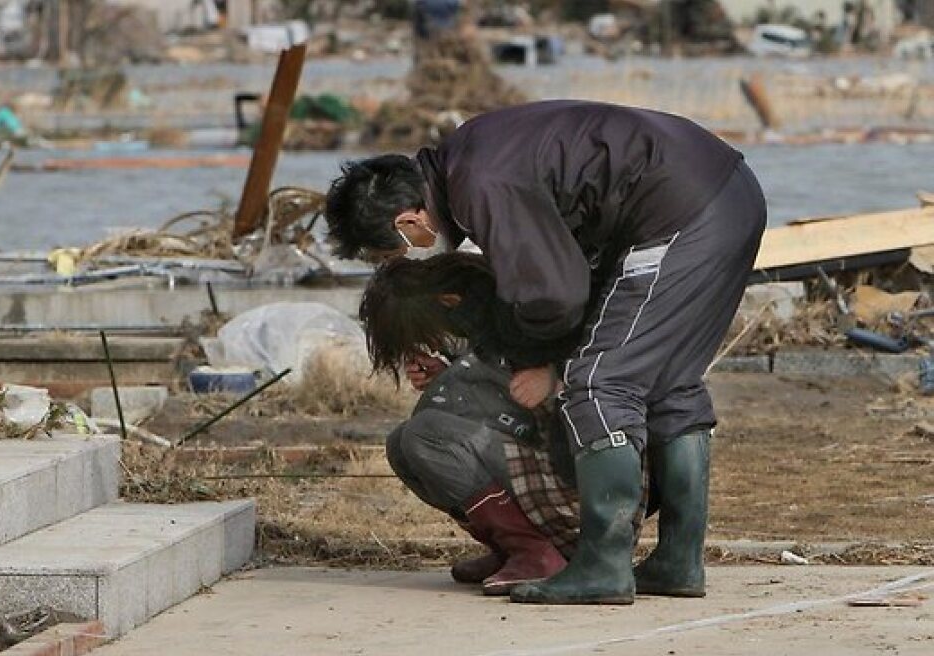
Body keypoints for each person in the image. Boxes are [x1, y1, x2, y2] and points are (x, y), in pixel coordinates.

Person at [325, 100, 766, 605]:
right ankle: (677, 560)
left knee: (600, 383)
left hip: (682, 211)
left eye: (395, 250)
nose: (406, 259)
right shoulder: (471, 157)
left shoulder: (481, 183)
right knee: (669, 382)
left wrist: (550, 366)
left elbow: (555, 294)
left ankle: (603, 565)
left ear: (409, 221)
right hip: (723, 193)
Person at [359, 253, 591, 595]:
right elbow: (502, 389)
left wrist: (552, 375)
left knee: (425, 436)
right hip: (548, 463)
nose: (438, 340)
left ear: (447, 300)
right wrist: (448, 373)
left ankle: (535, 552)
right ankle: (511, 548)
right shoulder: (486, 316)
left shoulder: (521, 309)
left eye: (428, 332)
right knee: (400, 445)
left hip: (579, 483)